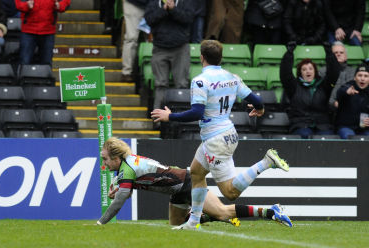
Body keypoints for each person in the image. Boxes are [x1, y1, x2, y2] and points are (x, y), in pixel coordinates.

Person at [151, 40, 292, 230]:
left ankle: (266, 162)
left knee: (230, 192)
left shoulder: (200, 80)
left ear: (201, 57)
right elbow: (256, 100)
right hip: (226, 134)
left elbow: (197, 113)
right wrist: (259, 108)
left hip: (215, 140)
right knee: (196, 173)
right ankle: (193, 221)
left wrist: (170, 116)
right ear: (220, 57)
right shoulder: (232, 77)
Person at [96, 137, 292, 227]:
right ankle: (199, 216)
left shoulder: (127, 168)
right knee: (176, 224)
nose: (104, 163)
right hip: (177, 189)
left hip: (186, 183)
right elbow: (128, 189)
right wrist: (121, 190)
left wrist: (100, 223)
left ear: (116, 157)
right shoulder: (127, 165)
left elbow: (120, 201)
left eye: (105, 159)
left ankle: (270, 211)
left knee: (223, 212)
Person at [280, 41, 340, 138]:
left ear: (315, 72)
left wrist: (329, 53)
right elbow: (285, 75)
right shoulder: (294, 86)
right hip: (300, 124)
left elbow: (333, 73)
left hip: (322, 125)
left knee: (327, 138)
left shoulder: (323, 85)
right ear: (300, 73)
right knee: (305, 135)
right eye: (304, 69)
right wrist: (289, 54)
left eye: (310, 69)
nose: (308, 71)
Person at [144, 0, 193, 111]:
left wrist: (173, 9)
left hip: (180, 48)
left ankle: (182, 117)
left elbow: (189, 18)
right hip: (159, 48)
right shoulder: (154, 3)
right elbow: (149, 20)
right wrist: (164, 9)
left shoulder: (184, 2)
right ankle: (157, 119)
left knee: (181, 84)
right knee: (160, 84)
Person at [15, 0, 70, 65]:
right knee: (24, 62)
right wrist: (26, 5)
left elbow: (65, 2)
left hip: (47, 31)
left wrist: (60, 5)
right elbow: (18, 3)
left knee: (46, 63)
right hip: (29, 31)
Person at [335, 64, 369, 139]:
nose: (362, 79)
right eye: (360, 75)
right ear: (354, 77)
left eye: (366, 76)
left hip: (365, 129)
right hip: (346, 127)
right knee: (350, 137)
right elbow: (340, 92)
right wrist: (346, 92)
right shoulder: (348, 86)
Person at [319, 41, 356, 109]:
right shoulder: (322, 71)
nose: (338, 54)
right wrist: (333, 102)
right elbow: (321, 93)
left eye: (341, 52)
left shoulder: (353, 72)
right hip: (327, 107)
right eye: (335, 53)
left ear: (346, 57)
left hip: (348, 107)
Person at [121, 0, 148, 82]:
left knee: (154, 39)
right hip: (133, 4)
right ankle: (127, 72)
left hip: (152, 4)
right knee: (131, 38)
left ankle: (151, 71)